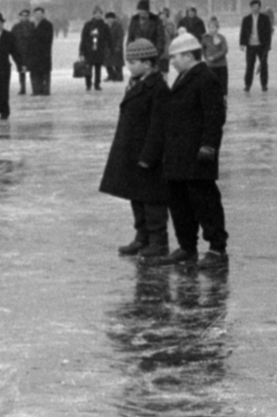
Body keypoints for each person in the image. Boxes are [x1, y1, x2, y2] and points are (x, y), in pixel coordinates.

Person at [156, 30, 228, 270]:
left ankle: (217, 249)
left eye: (175, 57)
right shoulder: (183, 76)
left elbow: (214, 117)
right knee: (179, 202)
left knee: (204, 202)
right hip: (177, 154)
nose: (172, 62)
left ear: (188, 55)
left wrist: (208, 147)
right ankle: (187, 247)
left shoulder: (206, 78)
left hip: (197, 154)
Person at [98, 38, 170, 260]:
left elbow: (159, 126)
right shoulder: (136, 83)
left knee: (152, 199)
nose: (129, 66)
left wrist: (149, 156)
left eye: (133, 61)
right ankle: (142, 237)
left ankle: (158, 241)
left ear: (148, 63)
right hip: (132, 150)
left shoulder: (158, 88)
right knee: (136, 195)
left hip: (148, 154)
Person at [239, 0, 272, 93]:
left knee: (264, 65)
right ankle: (247, 85)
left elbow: (268, 33)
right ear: (250, 7)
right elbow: (243, 32)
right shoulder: (246, 19)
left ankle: (264, 85)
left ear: (259, 7)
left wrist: (268, 45)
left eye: (257, 7)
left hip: (262, 46)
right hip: (250, 46)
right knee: (249, 66)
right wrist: (242, 44)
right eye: (253, 7)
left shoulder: (265, 18)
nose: (255, 9)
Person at [79, 6, 110, 91]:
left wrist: (110, 48)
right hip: (89, 50)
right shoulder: (88, 25)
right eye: (96, 13)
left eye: (99, 13)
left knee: (98, 68)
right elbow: (83, 38)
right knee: (88, 68)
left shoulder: (104, 26)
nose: (98, 15)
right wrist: (81, 50)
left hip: (99, 49)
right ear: (93, 14)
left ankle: (97, 84)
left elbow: (108, 38)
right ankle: (88, 84)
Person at [202, 17, 229, 100]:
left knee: (222, 84)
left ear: (217, 28)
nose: (211, 29)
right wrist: (206, 58)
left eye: (213, 27)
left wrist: (214, 57)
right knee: (210, 84)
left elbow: (225, 50)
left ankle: (223, 100)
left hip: (221, 65)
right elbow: (203, 49)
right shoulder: (204, 38)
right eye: (209, 27)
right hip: (210, 65)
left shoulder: (221, 37)